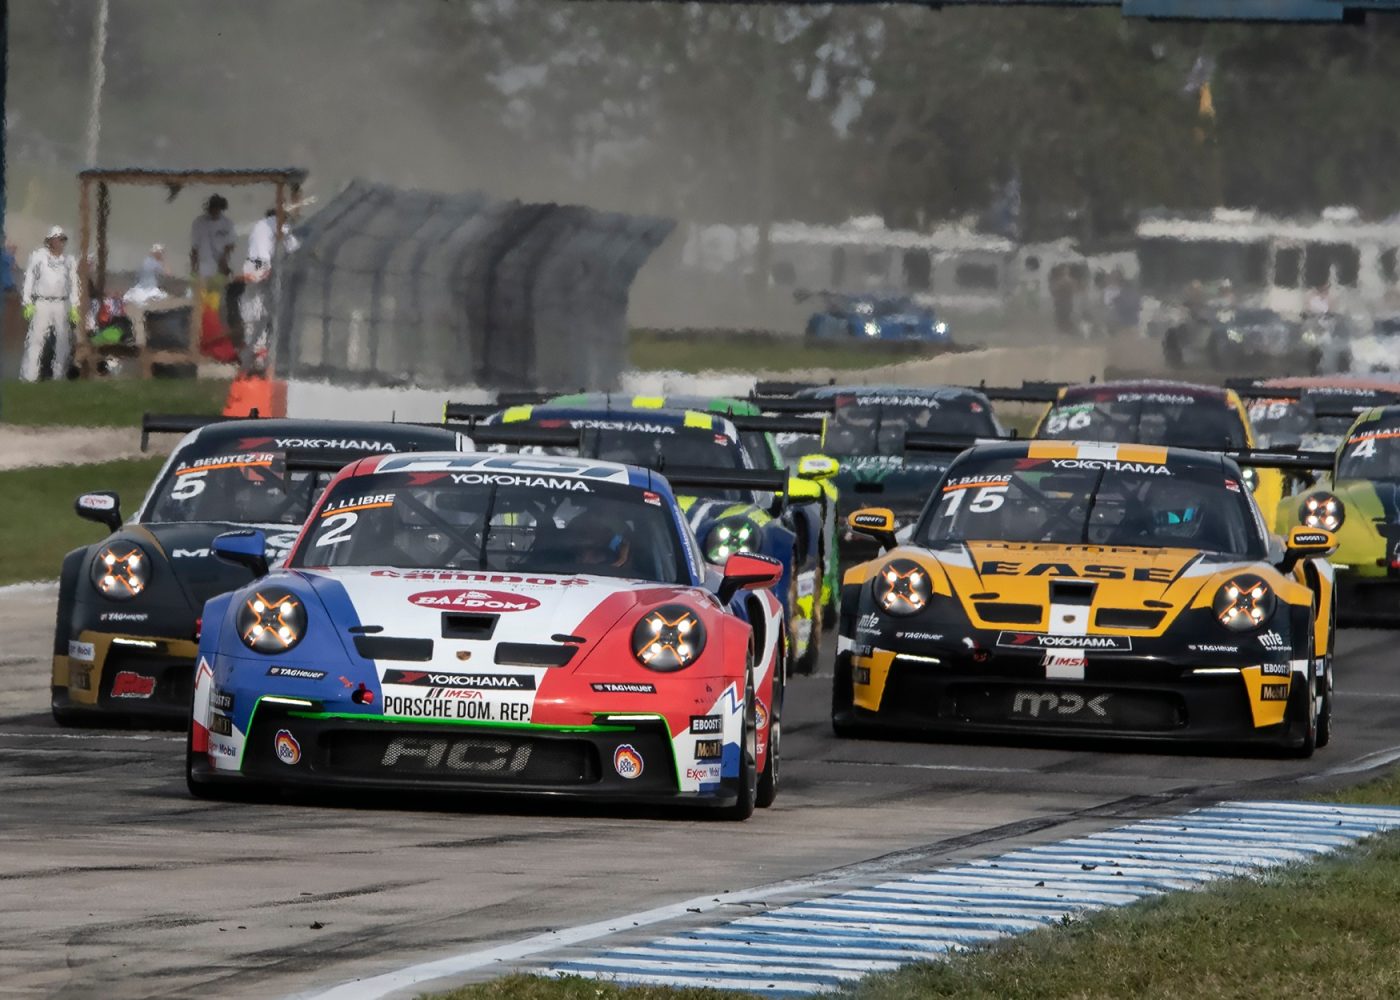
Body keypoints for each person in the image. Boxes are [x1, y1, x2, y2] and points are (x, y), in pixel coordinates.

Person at [20, 226, 80, 382]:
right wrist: (27, 302)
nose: (60, 242)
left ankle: (58, 376)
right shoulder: (38, 256)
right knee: (36, 340)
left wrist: (74, 306)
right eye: (57, 239)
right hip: (42, 302)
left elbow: (74, 284)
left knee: (63, 341)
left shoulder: (69, 260)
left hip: (62, 303)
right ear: (50, 241)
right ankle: (29, 377)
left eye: (62, 239)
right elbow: (29, 279)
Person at [190, 194, 235, 281]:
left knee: (221, 290)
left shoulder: (227, 223)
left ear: (221, 209)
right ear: (209, 208)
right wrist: (193, 268)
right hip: (204, 264)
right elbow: (194, 247)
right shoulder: (199, 223)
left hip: (221, 265)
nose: (214, 212)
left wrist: (224, 260)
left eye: (217, 209)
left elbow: (230, 245)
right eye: (212, 209)